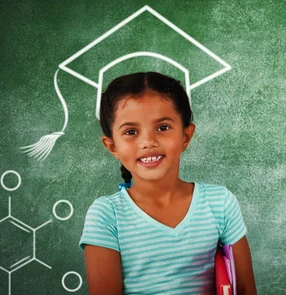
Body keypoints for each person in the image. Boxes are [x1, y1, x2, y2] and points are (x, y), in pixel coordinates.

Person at [79, 72, 257, 294]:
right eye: (131, 132)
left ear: (186, 136)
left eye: (163, 127)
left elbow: (245, 289)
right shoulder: (107, 214)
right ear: (112, 146)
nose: (148, 142)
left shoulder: (220, 203)